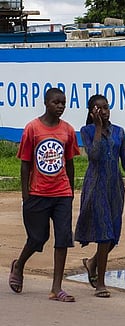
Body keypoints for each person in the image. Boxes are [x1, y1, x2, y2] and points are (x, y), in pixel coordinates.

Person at [8, 87, 80, 302]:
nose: (60, 107)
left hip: (62, 194)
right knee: (38, 238)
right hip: (37, 193)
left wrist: (71, 191)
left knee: (63, 238)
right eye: (56, 102)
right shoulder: (32, 129)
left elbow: (69, 163)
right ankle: (19, 265)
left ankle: (56, 288)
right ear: (46, 103)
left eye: (63, 103)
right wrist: (25, 195)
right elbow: (25, 164)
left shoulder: (67, 130)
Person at [75, 94, 125, 298]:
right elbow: (94, 155)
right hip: (96, 187)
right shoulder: (87, 131)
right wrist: (97, 128)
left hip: (115, 188)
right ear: (92, 112)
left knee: (113, 236)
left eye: (106, 108)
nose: (104, 112)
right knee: (104, 234)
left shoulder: (119, 132)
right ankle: (101, 284)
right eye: (99, 109)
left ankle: (92, 263)